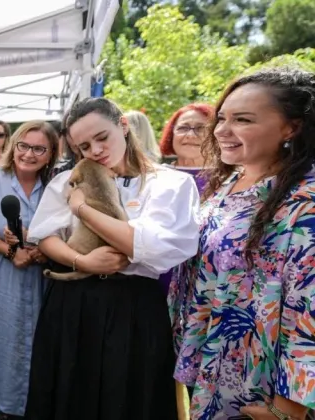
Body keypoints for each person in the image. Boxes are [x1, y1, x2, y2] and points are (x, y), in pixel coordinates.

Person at [25, 97, 200, 420]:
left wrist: (81, 209)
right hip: (73, 302)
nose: (95, 151)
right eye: (84, 146)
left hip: (134, 307)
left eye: (101, 138)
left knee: (128, 396)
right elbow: (45, 235)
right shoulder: (68, 179)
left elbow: (146, 247)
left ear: (123, 125)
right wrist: (83, 263)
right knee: (70, 394)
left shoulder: (170, 184)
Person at [175, 67, 315, 420]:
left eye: (243, 119)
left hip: (260, 387)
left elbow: (309, 310)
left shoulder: (304, 203)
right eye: (221, 117)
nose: (222, 130)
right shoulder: (230, 181)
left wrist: (289, 408)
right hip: (207, 364)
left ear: (291, 127)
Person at [0, 120, 59, 418]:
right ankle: (2, 405)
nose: (29, 154)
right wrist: (8, 250)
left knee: (33, 343)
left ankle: (31, 402)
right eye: (24, 146)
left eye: (39, 149)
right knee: (0, 342)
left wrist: (44, 250)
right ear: (14, 145)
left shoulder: (55, 187)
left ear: (51, 153)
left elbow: (63, 231)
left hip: (39, 283)